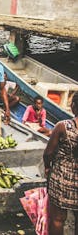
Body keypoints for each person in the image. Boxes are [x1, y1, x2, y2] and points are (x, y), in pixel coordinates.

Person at [43, 93, 78, 235]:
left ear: (74, 106)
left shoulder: (63, 126)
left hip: (62, 178)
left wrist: (47, 167)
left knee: (58, 219)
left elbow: (48, 154)